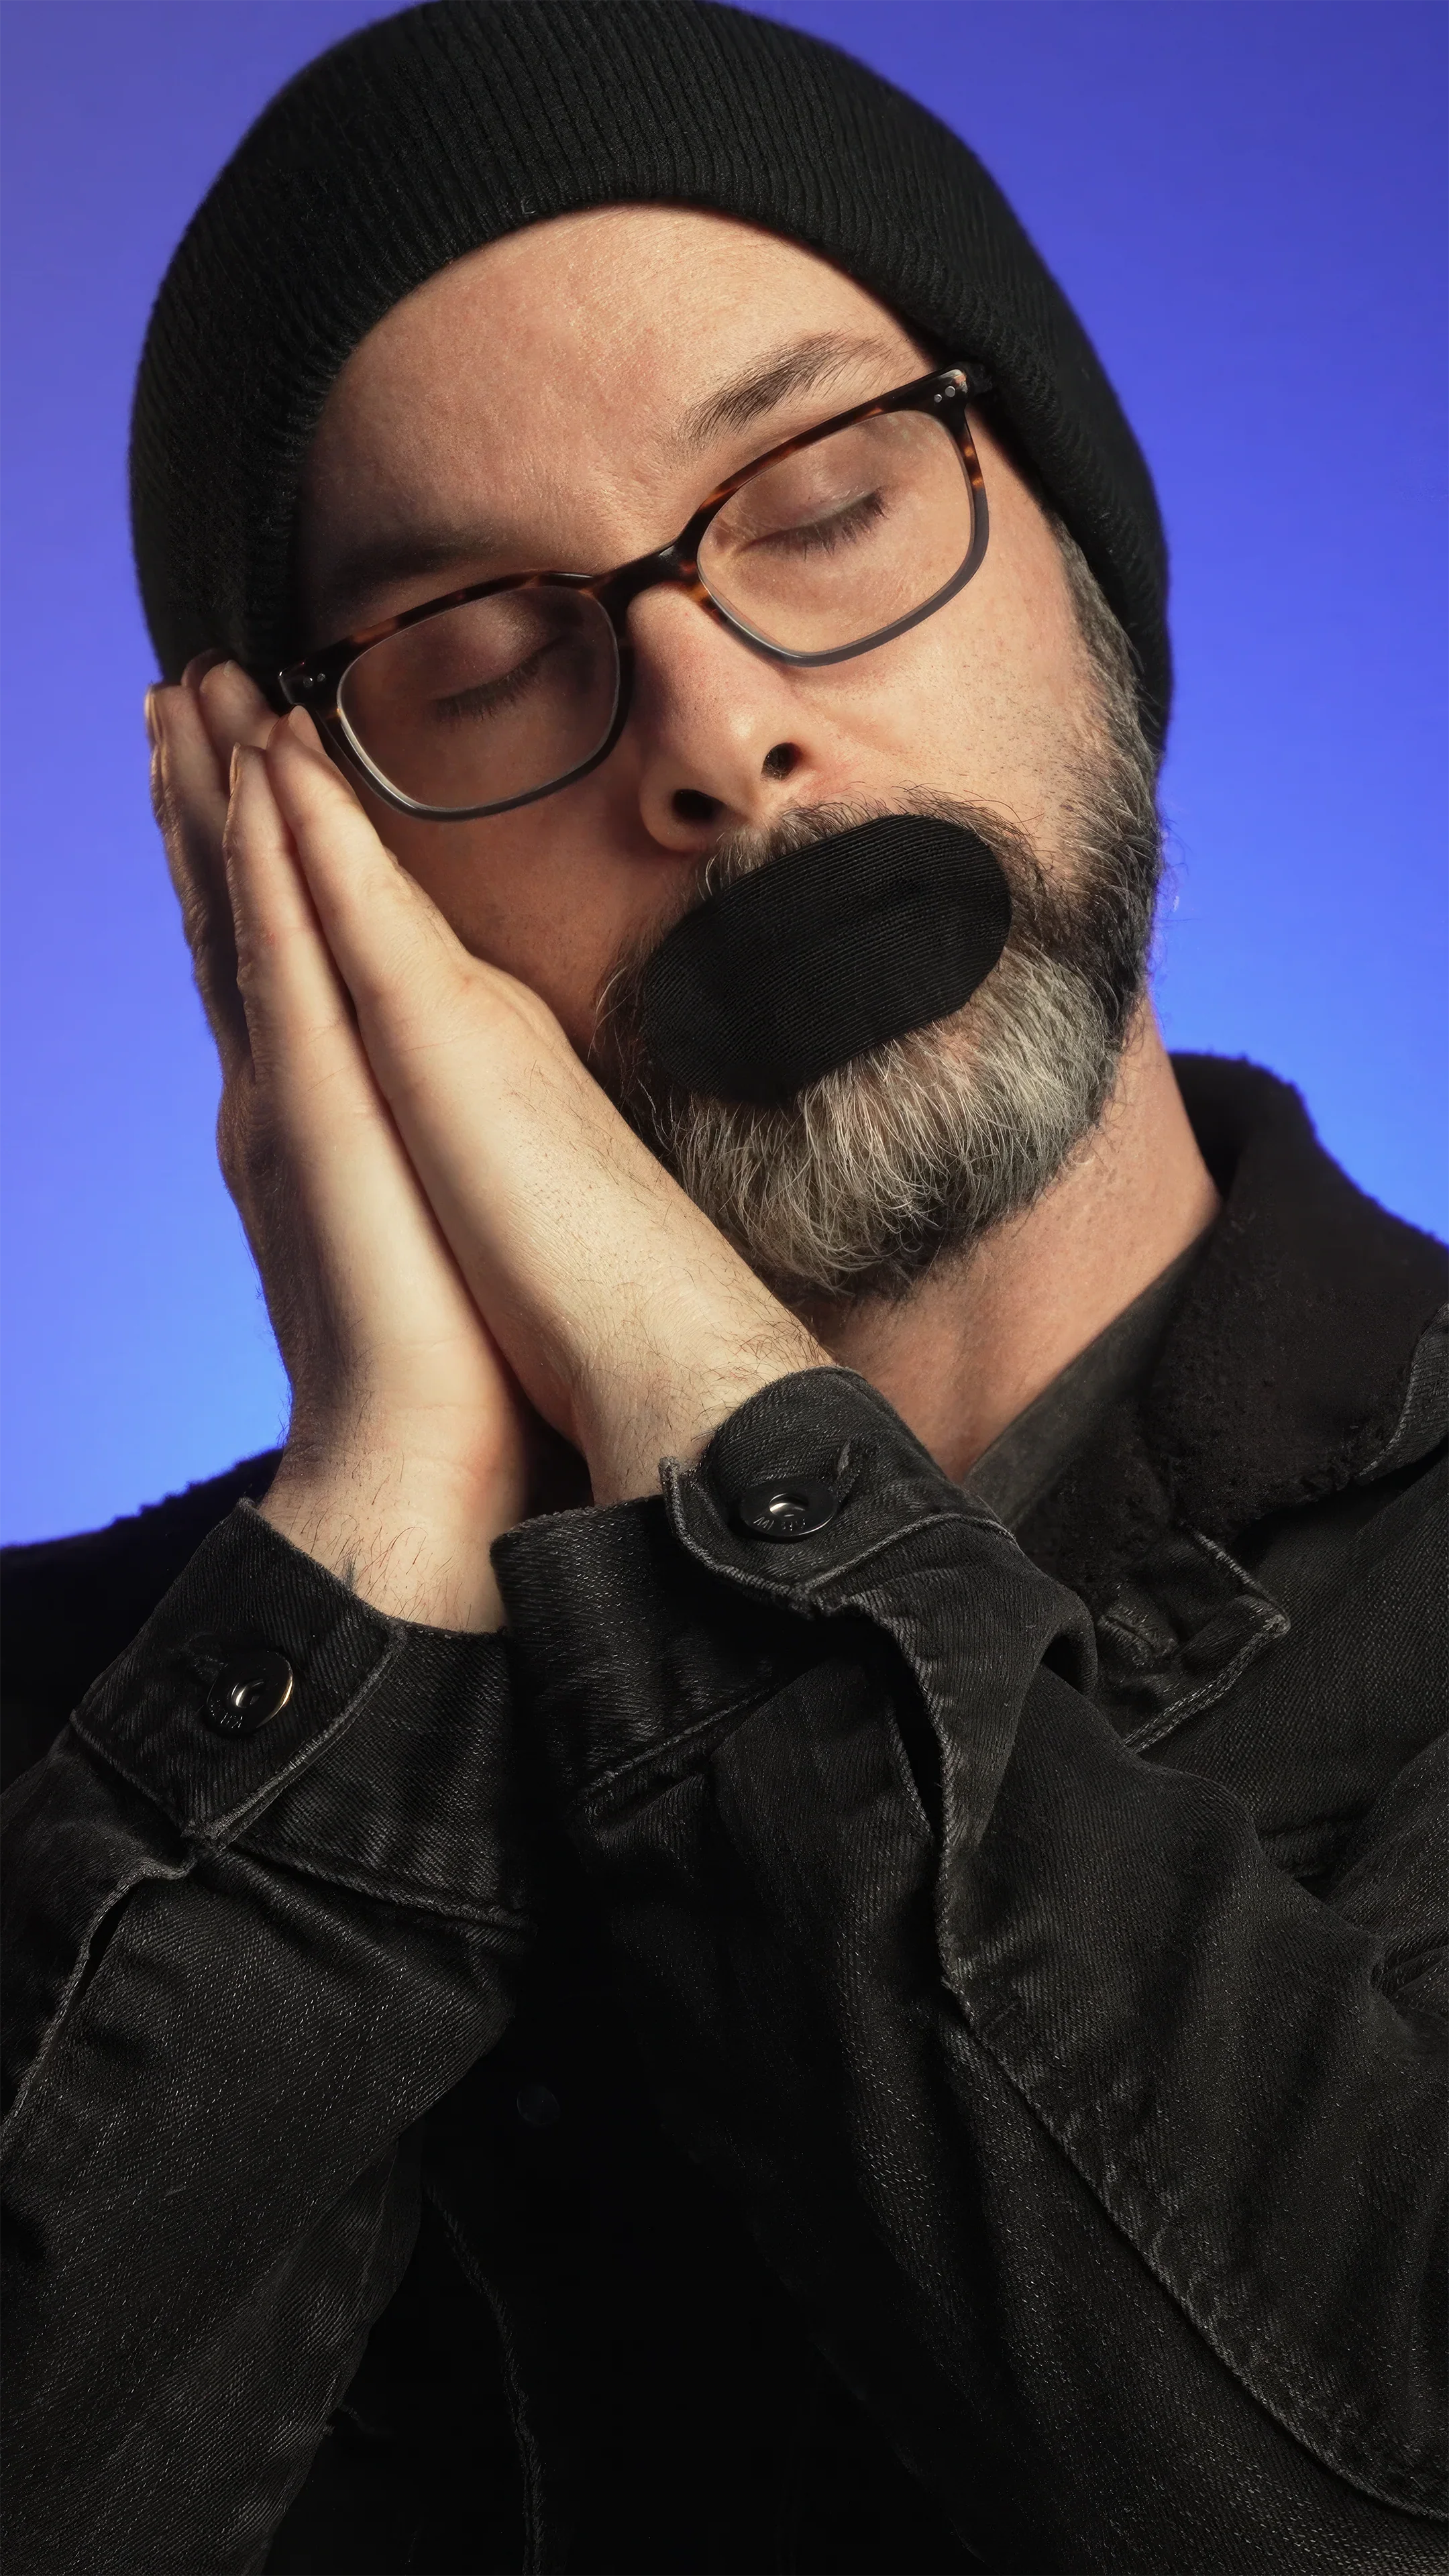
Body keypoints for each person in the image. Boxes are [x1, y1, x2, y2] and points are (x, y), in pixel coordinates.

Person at [2, 1, 1447, 2567]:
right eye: (473, 649)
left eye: (824, 501)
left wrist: (688, 1391)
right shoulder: (73, 1755)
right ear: (308, 871)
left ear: (1085, 576)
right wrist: (383, 1538)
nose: (718, 728)